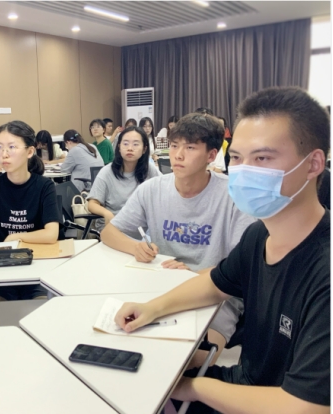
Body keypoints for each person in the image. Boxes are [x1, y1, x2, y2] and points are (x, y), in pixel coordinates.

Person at [115, 87, 330, 414]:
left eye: (262, 158)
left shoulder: (324, 269)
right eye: (237, 158)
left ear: (313, 164)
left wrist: (193, 388)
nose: (243, 171)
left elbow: (306, 407)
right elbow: (216, 283)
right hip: (247, 382)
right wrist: (153, 308)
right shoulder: (260, 235)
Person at [101, 113, 255, 366]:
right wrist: (136, 247)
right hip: (160, 285)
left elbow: (242, 267)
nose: (178, 155)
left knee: (190, 360)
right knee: (127, 343)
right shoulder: (152, 189)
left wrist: (194, 274)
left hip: (216, 291)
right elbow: (109, 233)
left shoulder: (234, 196)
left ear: (211, 155)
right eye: (174, 146)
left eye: (190, 148)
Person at [0, 120, 60, 324]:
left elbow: (51, 233)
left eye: (12, 147)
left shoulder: (44, 186)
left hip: (36, 270)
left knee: (40, 322)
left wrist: (16, 236)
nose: (4, 154)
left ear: (30, 151)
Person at [87, 126, 160, 233]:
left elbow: (166, 190)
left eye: (135, 144)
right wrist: (107, 213)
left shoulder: (150, 170)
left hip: (142, 228)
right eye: (125, 144)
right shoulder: (107, 172)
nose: (130, 148)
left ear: (144, 149)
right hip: (114, 227)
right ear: (119, 147)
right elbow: (92, 204)